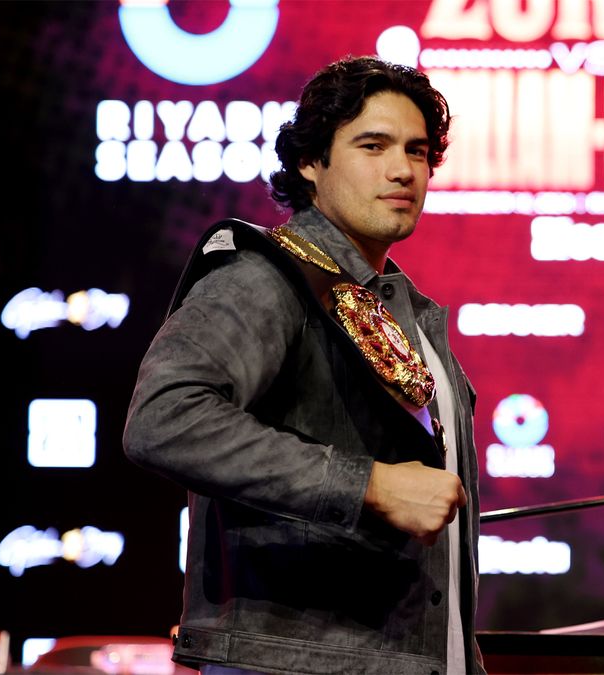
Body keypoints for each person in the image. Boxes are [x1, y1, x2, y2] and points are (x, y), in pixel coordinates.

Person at [124, 57, 484, 674]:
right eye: (373, 146)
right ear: (310, 163)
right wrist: (366, 485)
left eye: (418, 151)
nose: (403, 170)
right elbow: (163, 417)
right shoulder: (266, 278)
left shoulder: (404, 309)